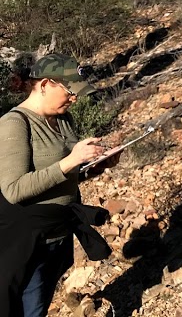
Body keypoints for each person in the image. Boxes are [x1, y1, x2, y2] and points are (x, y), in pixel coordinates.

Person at [0, 54, 113, 317]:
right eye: (69, 91)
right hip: (23, 239)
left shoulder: (63, 120)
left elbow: (64, 175)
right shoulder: (14, 123)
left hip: (57, 233)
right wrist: (72, 160)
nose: (74, 99)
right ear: (44, 85)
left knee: (37, 306)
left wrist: (94, 167)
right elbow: (14, 188)